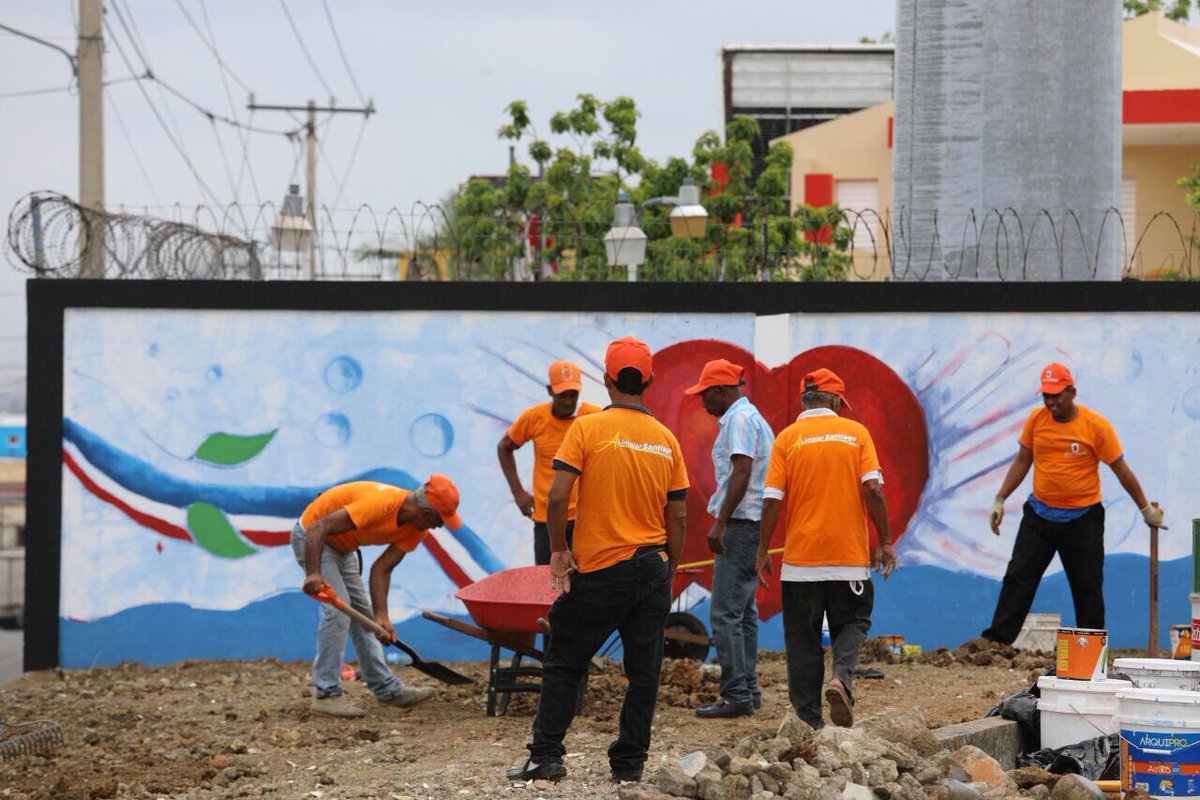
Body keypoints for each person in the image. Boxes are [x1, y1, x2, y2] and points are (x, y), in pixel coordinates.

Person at [507, 335, 689, 784]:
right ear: (648, 380)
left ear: (607, 380)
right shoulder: (666, 440)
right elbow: (679, 513)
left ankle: (546, 757)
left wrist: (558, 551)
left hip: (603, 570)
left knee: (566, 659)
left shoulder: (586, 430)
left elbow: (558, 497)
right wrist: (671, 567)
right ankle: (629, 766)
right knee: (643, 673)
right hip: (652, 567)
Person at [982, 363, 1165, 644]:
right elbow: (1022, 460)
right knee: (1018, 576)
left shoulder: (1096, 427)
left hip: (1083, 519)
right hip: (1039, 516)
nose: (1051, 401)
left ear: (1072, 392)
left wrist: (1145, 510)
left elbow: (1121, 470)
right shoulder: (1036, 420)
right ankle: (995, 643)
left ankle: (1092, 645)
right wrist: (999, 498)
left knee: (1087, 586)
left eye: (1057, 395)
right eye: (1046, 395)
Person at [756, 368, 897, 729]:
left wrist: (761, 552)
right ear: (836, 401)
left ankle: (808, 723)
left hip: (801, 562)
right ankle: (841, 680)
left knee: (802, 640)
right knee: (853, 619)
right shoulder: (856, 434)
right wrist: (884, 541)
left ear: (805, 399)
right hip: (847, 559)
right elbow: (873, 489)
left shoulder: (787, 438)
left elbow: (771, 500)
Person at [294, 475, 463, 717]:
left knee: (367, 620)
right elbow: (318, 528)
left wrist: (382, 616)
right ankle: (326, 693)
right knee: (337, 613)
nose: (440, 526)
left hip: (344, 548)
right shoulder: (380, 503)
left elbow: (382, 569)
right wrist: (313, 573)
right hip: (313, 537)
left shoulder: (417, 529)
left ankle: (387, 690)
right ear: (426, 512)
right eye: (441, 520)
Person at [684, 358, 775, 719]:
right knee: (744, 613)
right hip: (751, 524)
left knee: (724, 613)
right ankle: (748, 690)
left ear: (722, 390)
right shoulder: (753, 418)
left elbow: (742, 469)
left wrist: (720, 522)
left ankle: (736, 693)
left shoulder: (737, 420)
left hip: (738, 525)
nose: (702, 402)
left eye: (706, 394)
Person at [497, 360, 601, 565]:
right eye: (562, 395)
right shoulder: (534, 418)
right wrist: (518, 492)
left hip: (585, 519)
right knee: (546, 585)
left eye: (573, 394)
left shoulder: (594, 417)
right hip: (547, 519)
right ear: (549, 391)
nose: (568, 401)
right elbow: (504, 447)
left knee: (587, 585)